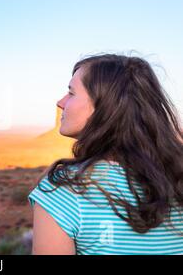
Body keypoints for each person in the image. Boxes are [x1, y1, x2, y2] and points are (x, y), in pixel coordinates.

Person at [28, 54, 183, 255]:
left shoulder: (65, 191)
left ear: (104, 106)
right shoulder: (177, 178)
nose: (60, 102)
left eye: (71, 93)